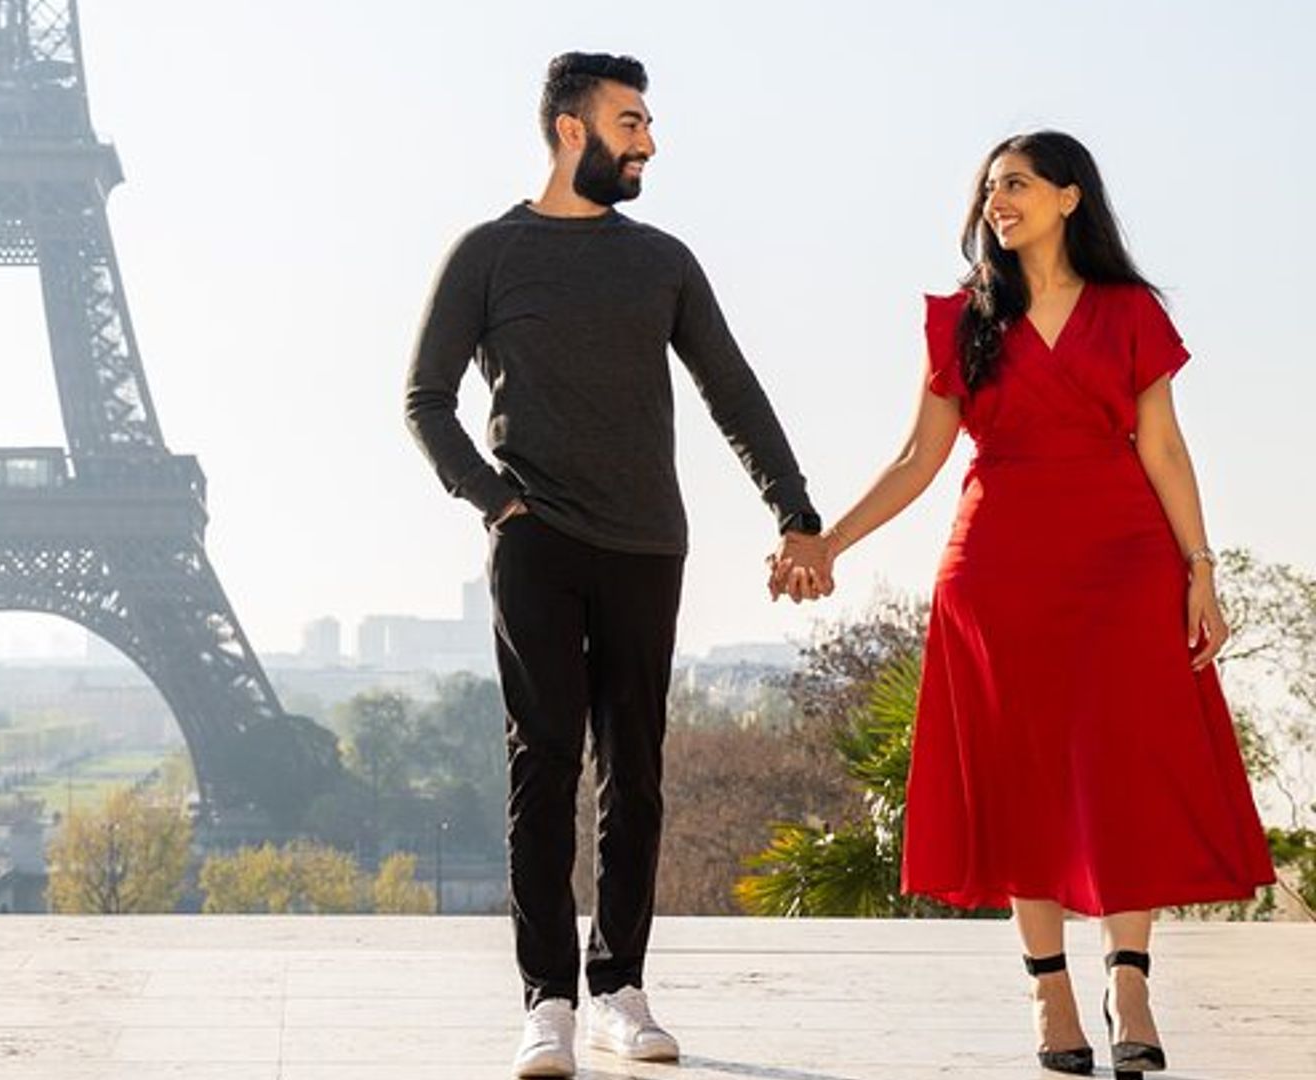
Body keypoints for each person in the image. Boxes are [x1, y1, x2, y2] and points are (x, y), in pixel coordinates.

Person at [782, 130, 1275, 1076]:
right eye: (989, 189)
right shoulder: (961, 319)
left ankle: (1128, 982)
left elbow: (1163, 448)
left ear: (1069, 197)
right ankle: (1051, 994)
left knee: (1125, 770)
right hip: (997, 572)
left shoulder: (1130, 313)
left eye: (1015, 184)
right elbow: (918, 459)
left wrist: (1199, 568)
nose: (996, 201)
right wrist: (829, 544)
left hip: (1125, 568)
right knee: (1021, 778)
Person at [405, 51, 830, 1078]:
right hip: (537, 542)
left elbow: (734, 391)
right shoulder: (487, 253)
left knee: (633, 774)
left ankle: (619, 987)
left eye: (647, 123)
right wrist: (497, 503)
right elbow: (425, 399)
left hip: (648, 542)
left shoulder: (664, 261)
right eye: (630, 121)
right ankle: (546, 1000)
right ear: (570, 130)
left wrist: (797, 513)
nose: (648, 140)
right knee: (542, 766)